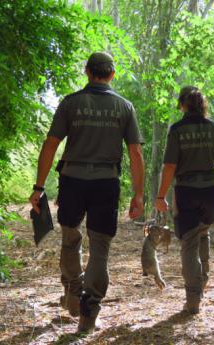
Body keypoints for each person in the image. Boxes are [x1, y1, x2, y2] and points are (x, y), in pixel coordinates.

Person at [29, 52, 144, 333]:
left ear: (87, 72)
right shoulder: (124, 107)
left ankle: (71, 293)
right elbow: (135, 152)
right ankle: (88, 314)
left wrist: (39, 186)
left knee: (71, 238)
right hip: (106, 182)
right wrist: (139, 194)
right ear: (111, 75)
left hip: (73, 180)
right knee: (100, 248)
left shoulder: (71, 103)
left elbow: (50, 144)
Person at [154, 86, 214, 314]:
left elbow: (170, 166)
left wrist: (160, 195)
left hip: (187, 191)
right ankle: (203, 282)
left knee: (189, 243)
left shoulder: (177, 130)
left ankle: (193, 300)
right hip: (212, 192)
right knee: (203, 233)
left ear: (183, 105)